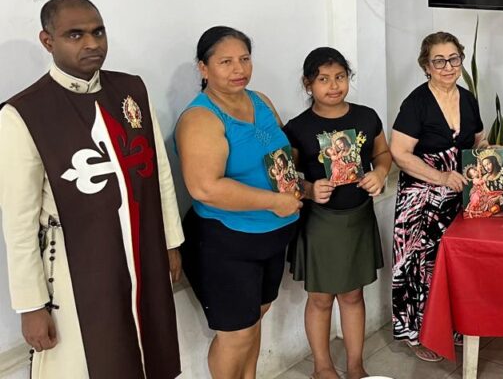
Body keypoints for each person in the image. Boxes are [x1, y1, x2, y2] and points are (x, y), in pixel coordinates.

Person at [0, 0, 183, 378]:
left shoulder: (131, 90)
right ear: (48, 41)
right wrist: (31, 305)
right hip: (76, 266)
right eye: (75, 35)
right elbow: (18, 222)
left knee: (150, 353)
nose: (92, 43)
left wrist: (170, 243)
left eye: (98, 32)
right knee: (92, 361)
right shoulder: (23, 113)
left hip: (143, 251)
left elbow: (159, 173)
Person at [175, 26, 302, 379]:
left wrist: (301, 183)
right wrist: (274, 201)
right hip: (226, 240)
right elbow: (204, 188)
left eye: (244, 59)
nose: (238, 69)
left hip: (272, 235)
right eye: (226, 62)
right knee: (237, 334)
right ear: (203, 68)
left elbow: (281, 156)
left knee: (256, 317)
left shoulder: (259, 100)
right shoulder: (200, 118)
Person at [283, 47, 390, 379]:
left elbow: (383, 154)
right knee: (320, 298)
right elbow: (287, 179)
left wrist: (380, 173)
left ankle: (356, 366)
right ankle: (323, 367)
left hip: (358, 217)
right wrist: (309, 189)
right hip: (320, 222)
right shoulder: (298, 127)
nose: (333, 86)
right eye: (323, 79)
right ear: (308, 84)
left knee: (353, 295)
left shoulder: (367, 117)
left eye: (340, 77)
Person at [390, 32, 486, 361]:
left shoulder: (468, 99)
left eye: (454, 58)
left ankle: (452, 327)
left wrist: (493, 159)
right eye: (439, 61)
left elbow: (478, 142)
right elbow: (399, 153)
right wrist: (441, 177)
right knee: (419, 266)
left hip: (458, 198)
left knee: (453, 264)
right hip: (420, 200)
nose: (448, 67)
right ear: (426, 66)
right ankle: (416, 334)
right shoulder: (416, 103)